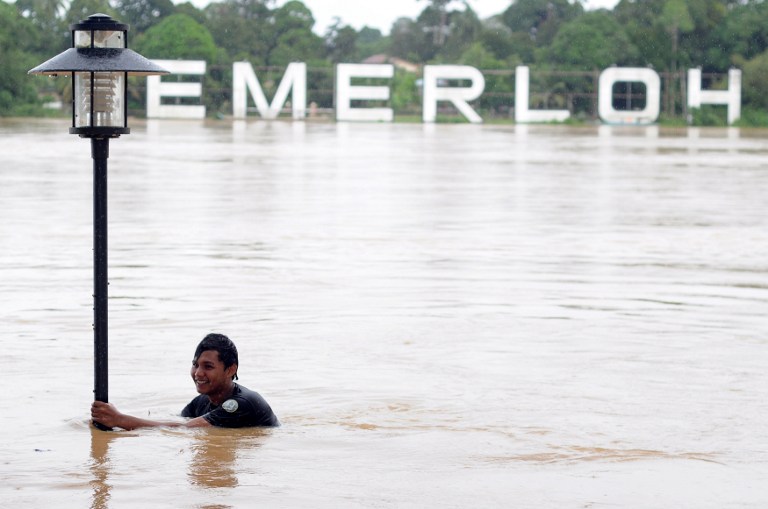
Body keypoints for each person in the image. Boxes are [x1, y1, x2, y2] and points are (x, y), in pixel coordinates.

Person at [91, 333, 279, 430]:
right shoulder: (202, 402)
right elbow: (170, 425)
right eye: (195, 365)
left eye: (208, 366)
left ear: (231, 369)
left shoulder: (240, 404)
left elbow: (183, 430)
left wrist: (120, 419)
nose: (198, 373)